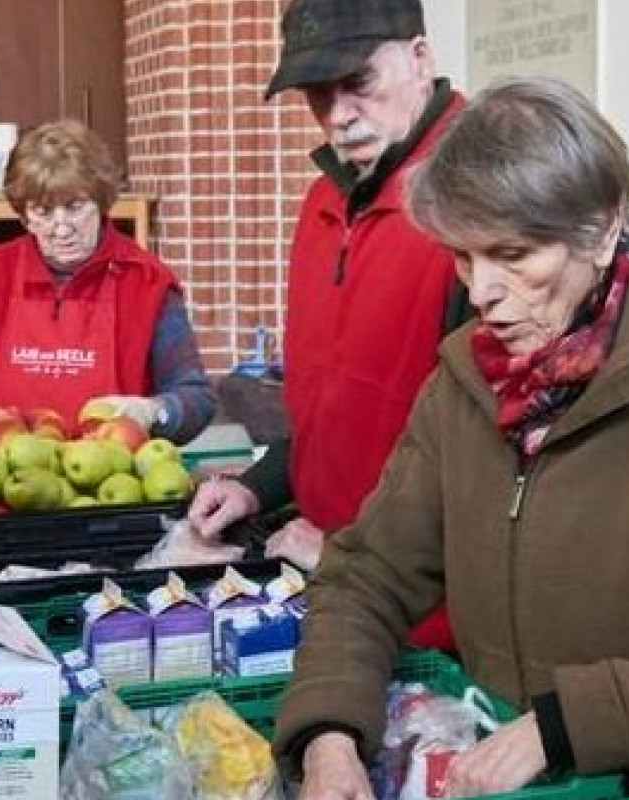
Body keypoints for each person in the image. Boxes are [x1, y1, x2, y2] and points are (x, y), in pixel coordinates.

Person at [276, 76, 629, 800]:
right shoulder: (465, 384)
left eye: (514, 255)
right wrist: (329, 734)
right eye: (463, 257)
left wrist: (565, 725)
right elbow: (366, 577)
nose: (482, 291)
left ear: (605, 228)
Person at [183, 0, 464, 649]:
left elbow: (493, 465)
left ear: (419, 59)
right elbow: (337, 407)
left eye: (359, 84)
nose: (338, 116)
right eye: (317, 93)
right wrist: (261, 484)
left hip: (423, 616)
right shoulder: (324, 200)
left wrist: (352, 556)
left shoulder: (476, 201)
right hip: (322, 577)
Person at [0, 119, 216, 444]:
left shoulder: (147, 283)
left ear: (101, 201)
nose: (61, 228)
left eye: (75, 207)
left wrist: (154, 411)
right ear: (24, 216)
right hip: (2, 474)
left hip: (110, 481)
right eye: (42, 212)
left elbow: (196, 396)